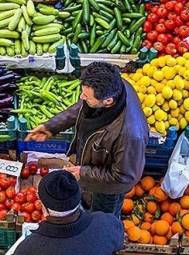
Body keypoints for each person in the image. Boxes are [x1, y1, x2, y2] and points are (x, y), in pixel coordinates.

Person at [25, 61, 147, 217]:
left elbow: (124, 178)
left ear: (108, 101)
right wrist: (52, 126)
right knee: (87, 203)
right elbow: (83, 107)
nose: (82, 97)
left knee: (102, 218)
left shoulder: (130, 136)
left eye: (87, 96)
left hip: (107, 189)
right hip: (93, 166)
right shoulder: (116, 85)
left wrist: (83, 172)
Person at [12, 170, 124, 255]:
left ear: (43, 205)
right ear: (79, 197)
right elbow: (118, 244)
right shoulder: (107, 224)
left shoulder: (28, 248)